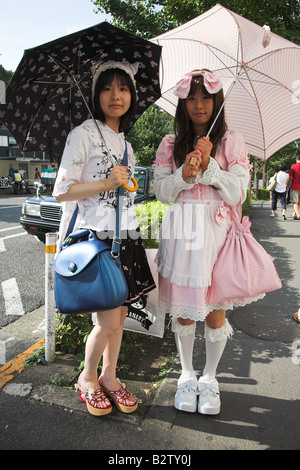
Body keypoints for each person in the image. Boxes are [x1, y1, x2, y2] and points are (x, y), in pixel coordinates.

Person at [153, 69, 272, 415]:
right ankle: (187, 375)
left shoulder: (231, 140)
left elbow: (238, 192)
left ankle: (209, 378)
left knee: (216, 314)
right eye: (192, 97)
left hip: (217, 238)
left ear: (216, 100)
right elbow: (161, 193)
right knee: (186, 314)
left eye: (205, 97)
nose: (199, 104)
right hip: (182, 235)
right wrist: (185, 173)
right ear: (183, 103)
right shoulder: (170, 144)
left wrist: (210, 168)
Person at [53, 61, 155, 417]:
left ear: (132, 95)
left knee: (121, 314)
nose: (116, 96)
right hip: (95, 239)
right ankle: (87, 378)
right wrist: (107, 183)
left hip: (124, 236)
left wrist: (124, 186)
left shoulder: (122, 140)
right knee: (107, 322)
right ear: (96, 94)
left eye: (123, 88)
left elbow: (121, 189)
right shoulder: (83, 134)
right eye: (108, 88)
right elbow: (61, 190)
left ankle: (110, 377)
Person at [286, 154, 300, 220]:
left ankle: (298, 214)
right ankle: (294, 213)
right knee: (298, 202)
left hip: (295, 187)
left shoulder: (293, 167)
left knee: (295, 202)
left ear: (296, 159)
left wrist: (287, 184)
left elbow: (289, 176)